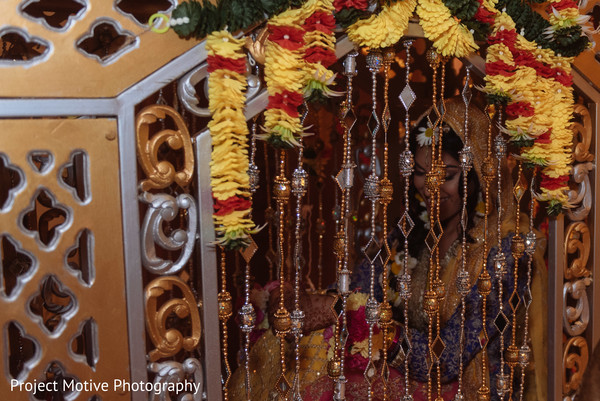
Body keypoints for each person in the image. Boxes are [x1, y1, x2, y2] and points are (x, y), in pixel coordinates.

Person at [229, 97, 548, 401]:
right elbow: (359, 292)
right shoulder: (412, 232)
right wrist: (304, 301)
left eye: (446, 176)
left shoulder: (508, 250)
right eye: (421, 175)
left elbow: (447, 358)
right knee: (303, 351)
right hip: (409, 376)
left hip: (468, 387)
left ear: (480, 175)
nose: (431, 188)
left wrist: (378, 332)